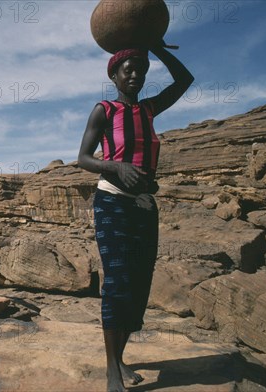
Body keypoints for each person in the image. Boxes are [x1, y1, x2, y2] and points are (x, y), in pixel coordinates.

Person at [78, 44, 193, 392]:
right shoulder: (105, 110)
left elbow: (184, 79)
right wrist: (114, 165)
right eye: (127, 70)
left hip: (143, 205)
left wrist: (157, 48)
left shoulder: (149, 109)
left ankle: (121, 358)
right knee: (116, 283)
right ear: (114, 75)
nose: (134, 76)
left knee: (138, 285)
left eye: (140, 71)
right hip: (112, 202)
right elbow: (83, 157)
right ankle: (112, 369)